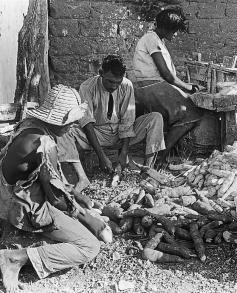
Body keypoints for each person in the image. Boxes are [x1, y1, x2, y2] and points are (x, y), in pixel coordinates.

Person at [0, 84, 111, 293]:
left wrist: (77, 195)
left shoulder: (30, 125)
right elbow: (56, 200)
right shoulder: (44, 144)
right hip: (19, 205)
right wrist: (89, 219)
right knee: (89, 246)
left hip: (6, 192)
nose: (74, 124)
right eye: (70, 121)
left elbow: (47, 177)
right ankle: (14, 259)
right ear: (57, 119)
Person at [57, 54, 165, 192]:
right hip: (96, 133)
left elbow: (127, 120)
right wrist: (102, 157)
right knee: (65, 131)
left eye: (117, 82)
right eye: (110, 81)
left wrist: (124, 152)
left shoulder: (126, 85)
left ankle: (148, 171)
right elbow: (87, 124)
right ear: (101, 73)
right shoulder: (87, 87)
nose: (114, 86)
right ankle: (81, 177)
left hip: (120, 134)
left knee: (155, 118)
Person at [132, 8, 204, 163]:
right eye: (175, 30)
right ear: (166, 28)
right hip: (153, 86)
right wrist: (187, 87)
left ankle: (169, 153)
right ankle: (161, 156)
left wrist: (184, 87)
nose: (176, 34)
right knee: (191, 113)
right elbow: (166, 75)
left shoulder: (157, 40)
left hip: (154, 86)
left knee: (180, 111)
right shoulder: (152, 39)